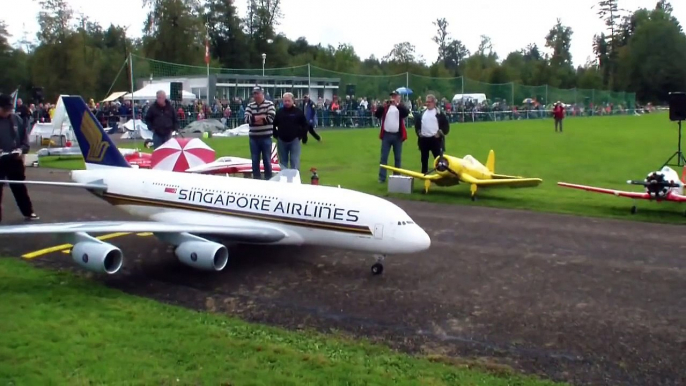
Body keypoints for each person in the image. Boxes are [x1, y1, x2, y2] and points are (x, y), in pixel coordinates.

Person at [0, 94, 39, 222]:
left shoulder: (16, 119)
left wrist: (22, 150)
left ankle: (28, 212)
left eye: (9, 109)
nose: (8, 112)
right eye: (5, 109)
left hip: (14, 159)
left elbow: (24, 139)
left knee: (19, 187)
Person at [374, 90, 409, 183]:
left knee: (397, 157)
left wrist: (398, 105)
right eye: (392, 96)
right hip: (386, 135)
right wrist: (382, 106)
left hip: (397, 135)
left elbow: (406, 113)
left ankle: (396, 177)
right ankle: (382, 177)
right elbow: (377, 115)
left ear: (398, 97)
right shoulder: (386, 107)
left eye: (395, 96)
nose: (393, 98)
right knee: (384, 157)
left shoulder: (400, 107)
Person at [244, 86, 276, 179]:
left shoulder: (269, 104)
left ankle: (269, 179)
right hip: (253, 138)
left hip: (266, 137)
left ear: (262, 94)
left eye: (257, 93)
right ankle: (257, 179)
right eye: (254, 93)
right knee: (254, 160)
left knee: (267, 160)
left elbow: (270, 119)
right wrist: (261, 116)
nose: (255, 95)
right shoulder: (250, 106)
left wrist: (254, 119)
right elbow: (246, 119)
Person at [414, 94, 450, 174]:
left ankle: (440, 173)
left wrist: (440, 133)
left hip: (435, 139)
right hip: (424, 139)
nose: (427, 104)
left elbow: (446, 126)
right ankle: (424, 174)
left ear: (434, 103)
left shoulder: (439, 113)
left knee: (438, 159)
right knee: (424, 158)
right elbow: (417, 125)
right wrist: (419, 133)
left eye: (429, 102)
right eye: (426, 102)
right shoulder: (422, 113)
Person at [273, 93, 308, 170]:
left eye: (289, 101)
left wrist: (301, 136)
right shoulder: (279, 112)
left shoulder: (298, 112)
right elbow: (274, 124)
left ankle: (295, 179)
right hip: (281, 140)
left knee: (294, 161)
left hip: (294, 140)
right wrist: (276, 134)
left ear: (293, 101)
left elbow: (305, 125)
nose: (287, 103)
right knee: (282, 162)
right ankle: (283, 179)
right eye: (285, 101)